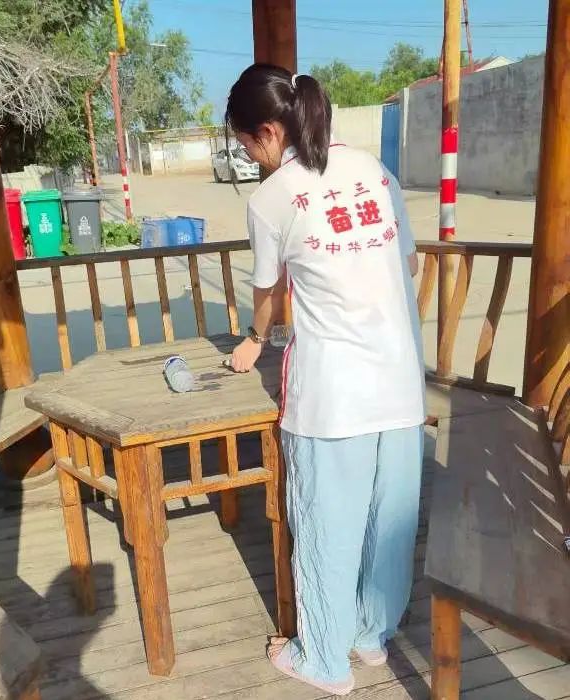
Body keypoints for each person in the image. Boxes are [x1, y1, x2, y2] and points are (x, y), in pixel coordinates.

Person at [226, 64, 426, 696]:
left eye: (245, 145)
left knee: (326, 524)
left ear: (266, 132)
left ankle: (323, 661)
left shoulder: (272, 199)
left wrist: (254, 339)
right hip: (400, 381)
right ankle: (370, 637)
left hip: (333, 394)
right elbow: (408, 263)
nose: (248, 158)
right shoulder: (374, 170)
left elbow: (268, 295)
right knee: (388, 520)